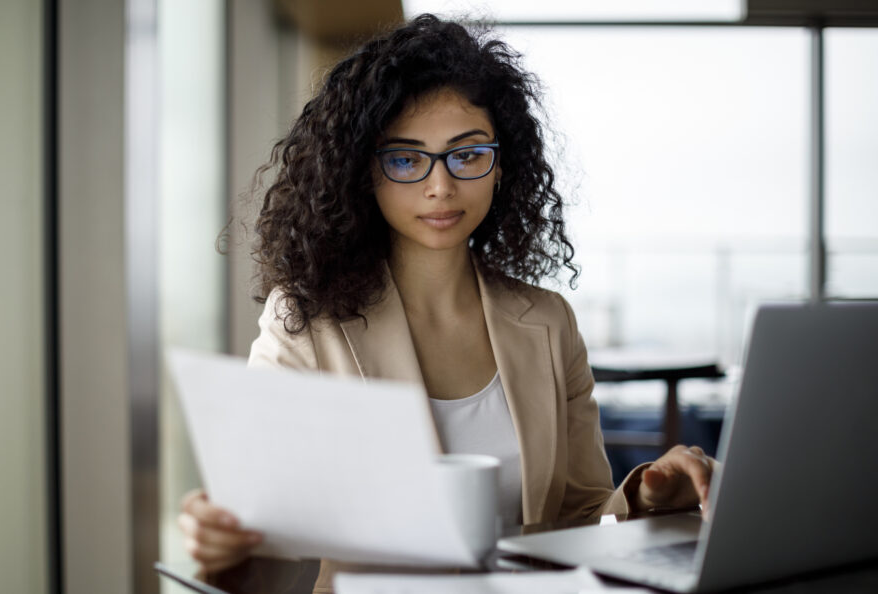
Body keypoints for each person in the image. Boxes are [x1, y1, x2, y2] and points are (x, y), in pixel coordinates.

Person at [178, 13, 716, 592]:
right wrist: (225, 544)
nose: (441, 186)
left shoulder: (549, 322)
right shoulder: (305, 323)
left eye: (467, 154)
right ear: (364, 172)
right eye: (407, 159)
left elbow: (581, 520)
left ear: (501, 165)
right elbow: (270, 546)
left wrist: (648, 496)